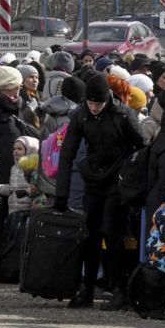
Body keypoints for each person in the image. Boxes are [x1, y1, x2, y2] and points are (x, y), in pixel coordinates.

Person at [54, 73, 147, 310]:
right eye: (91, 103)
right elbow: (67, 154)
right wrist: (61, 194)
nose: (94, 108)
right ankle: (87, 288)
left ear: (107, 101)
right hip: (94, 179)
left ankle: (119, 288)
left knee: (111, 232)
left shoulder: (123, 114)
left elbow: (143, 146)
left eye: (99, 104)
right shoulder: (81, 114)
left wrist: (131, 178)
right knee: (89, 234)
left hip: (117, 181)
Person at [0, 66, 30, 184]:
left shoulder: (15, 104)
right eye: (17, 85)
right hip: (0, 172)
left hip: (18, 170)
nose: (20, 88)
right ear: (7, 86)